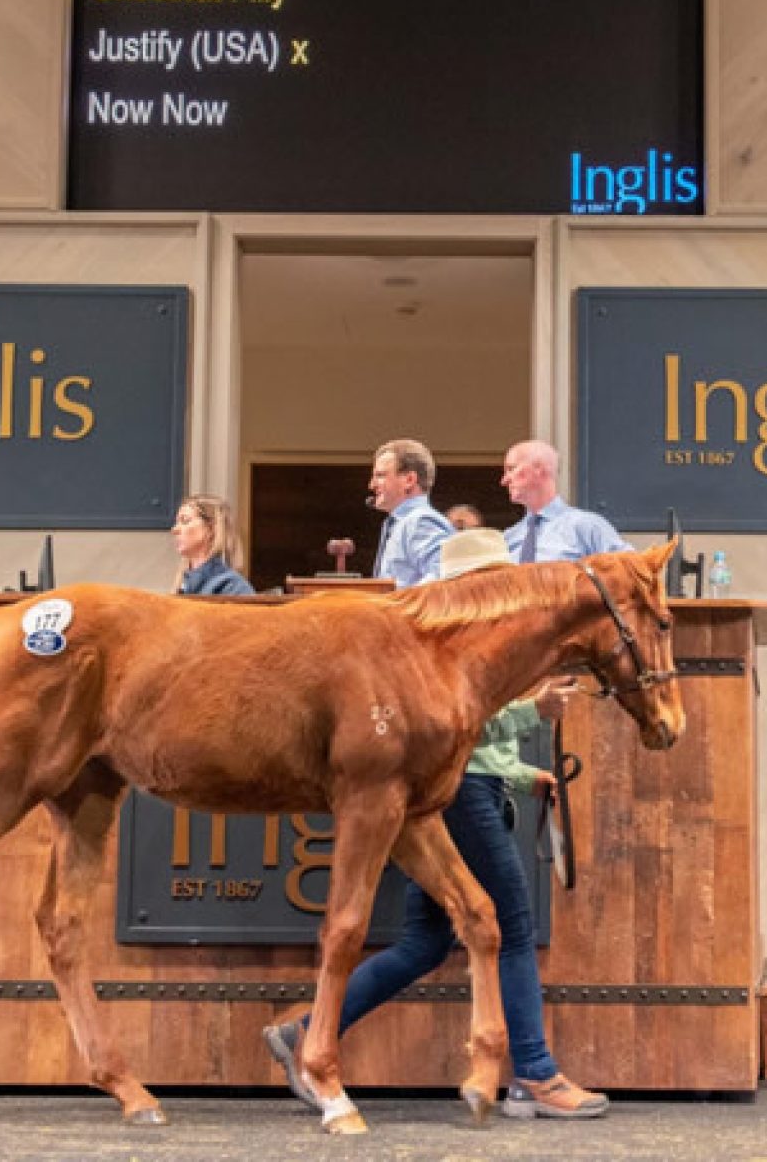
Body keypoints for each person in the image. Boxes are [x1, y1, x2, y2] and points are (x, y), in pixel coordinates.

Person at [262, 527, 609, 1119]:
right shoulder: (449, 645)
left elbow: (477, 744)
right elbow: (458, 734)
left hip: (470, 787)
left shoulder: (465, 642)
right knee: (512, 924)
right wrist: (534, 712)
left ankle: (305, 1031)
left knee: (426, 941)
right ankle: (535, 1073)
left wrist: (527, 777)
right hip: (460, 794)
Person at [499, 439, 628, 563]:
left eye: (511, 469)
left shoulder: (587, 527)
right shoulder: (508, 538)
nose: (504, 481)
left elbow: (630, 573)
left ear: (539, 468)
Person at [368, 438, 455, 588]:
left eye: (380, 475)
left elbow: (443, 577)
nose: (371, 485)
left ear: (409, 480)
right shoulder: (402, 523)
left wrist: (400, 604)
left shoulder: (421, 521)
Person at [171, 494, 254, 595]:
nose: (174, 529)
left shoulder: (233, 586)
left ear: (211, 529)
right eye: (177, 522)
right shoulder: (183, 584)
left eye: (185, 521)